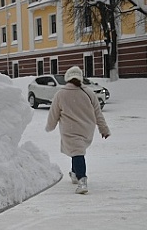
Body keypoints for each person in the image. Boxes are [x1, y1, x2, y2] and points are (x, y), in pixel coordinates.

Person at [45, 66, 110, 194]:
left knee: (76, 152)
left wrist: (50, 126)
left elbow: (54, 114)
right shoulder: (89, 93)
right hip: (86, 128)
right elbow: (98, 113)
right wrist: (104, 129)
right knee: (76, 151)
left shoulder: (60, 94)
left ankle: (82, 180)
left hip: (69, 129)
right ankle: (74, 173)